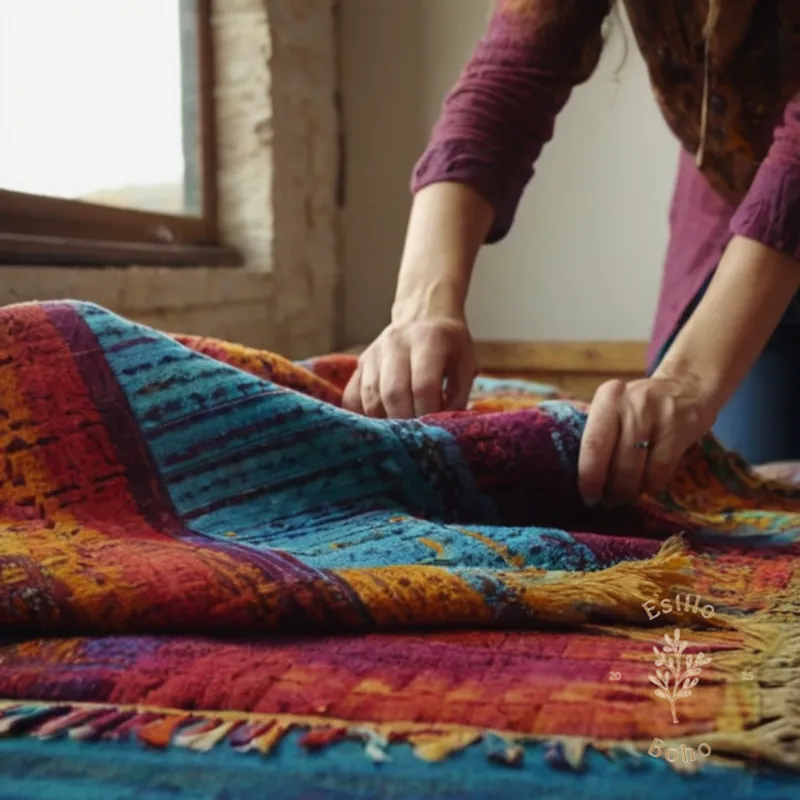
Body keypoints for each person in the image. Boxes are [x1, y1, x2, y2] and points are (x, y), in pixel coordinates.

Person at [342, 0, 800, 507]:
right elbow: (507, 80)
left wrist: (689, 381)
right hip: (735, 212)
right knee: (716, 489)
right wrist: (421, 308)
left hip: (780, 205)